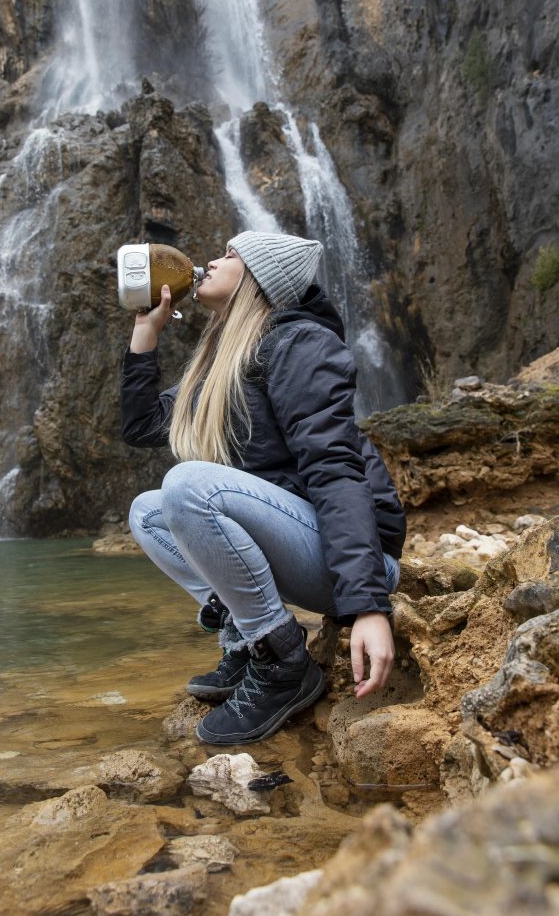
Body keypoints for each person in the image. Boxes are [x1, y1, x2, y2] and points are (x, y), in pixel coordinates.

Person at [120, 231, 406, 746]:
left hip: (356, 568)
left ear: (257, 278)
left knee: (188, 485)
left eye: (229, 254)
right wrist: (147, 330)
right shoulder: (224, 362)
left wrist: (369, 606)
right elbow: (142, 426)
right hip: (302, 548)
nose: (209, 259)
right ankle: (249, 639)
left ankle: (283, 665)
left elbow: (335, 472)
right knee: (148, 511)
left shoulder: (301, 343)